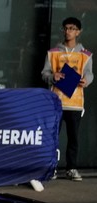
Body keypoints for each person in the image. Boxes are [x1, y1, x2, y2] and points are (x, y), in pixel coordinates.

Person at [41, 16, 93, 182]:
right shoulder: (53, 53)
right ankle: (52, 168)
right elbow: (44, 73)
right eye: (66, 28)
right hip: (56, 102)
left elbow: (90, 73)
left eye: (72, 28)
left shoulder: (85, 55)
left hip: (76, 103)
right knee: (53, 137)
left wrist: (87, 80)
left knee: (73, 139)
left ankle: (71, 168)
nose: (68, 31)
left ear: (78, 32)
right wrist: (53, 76)